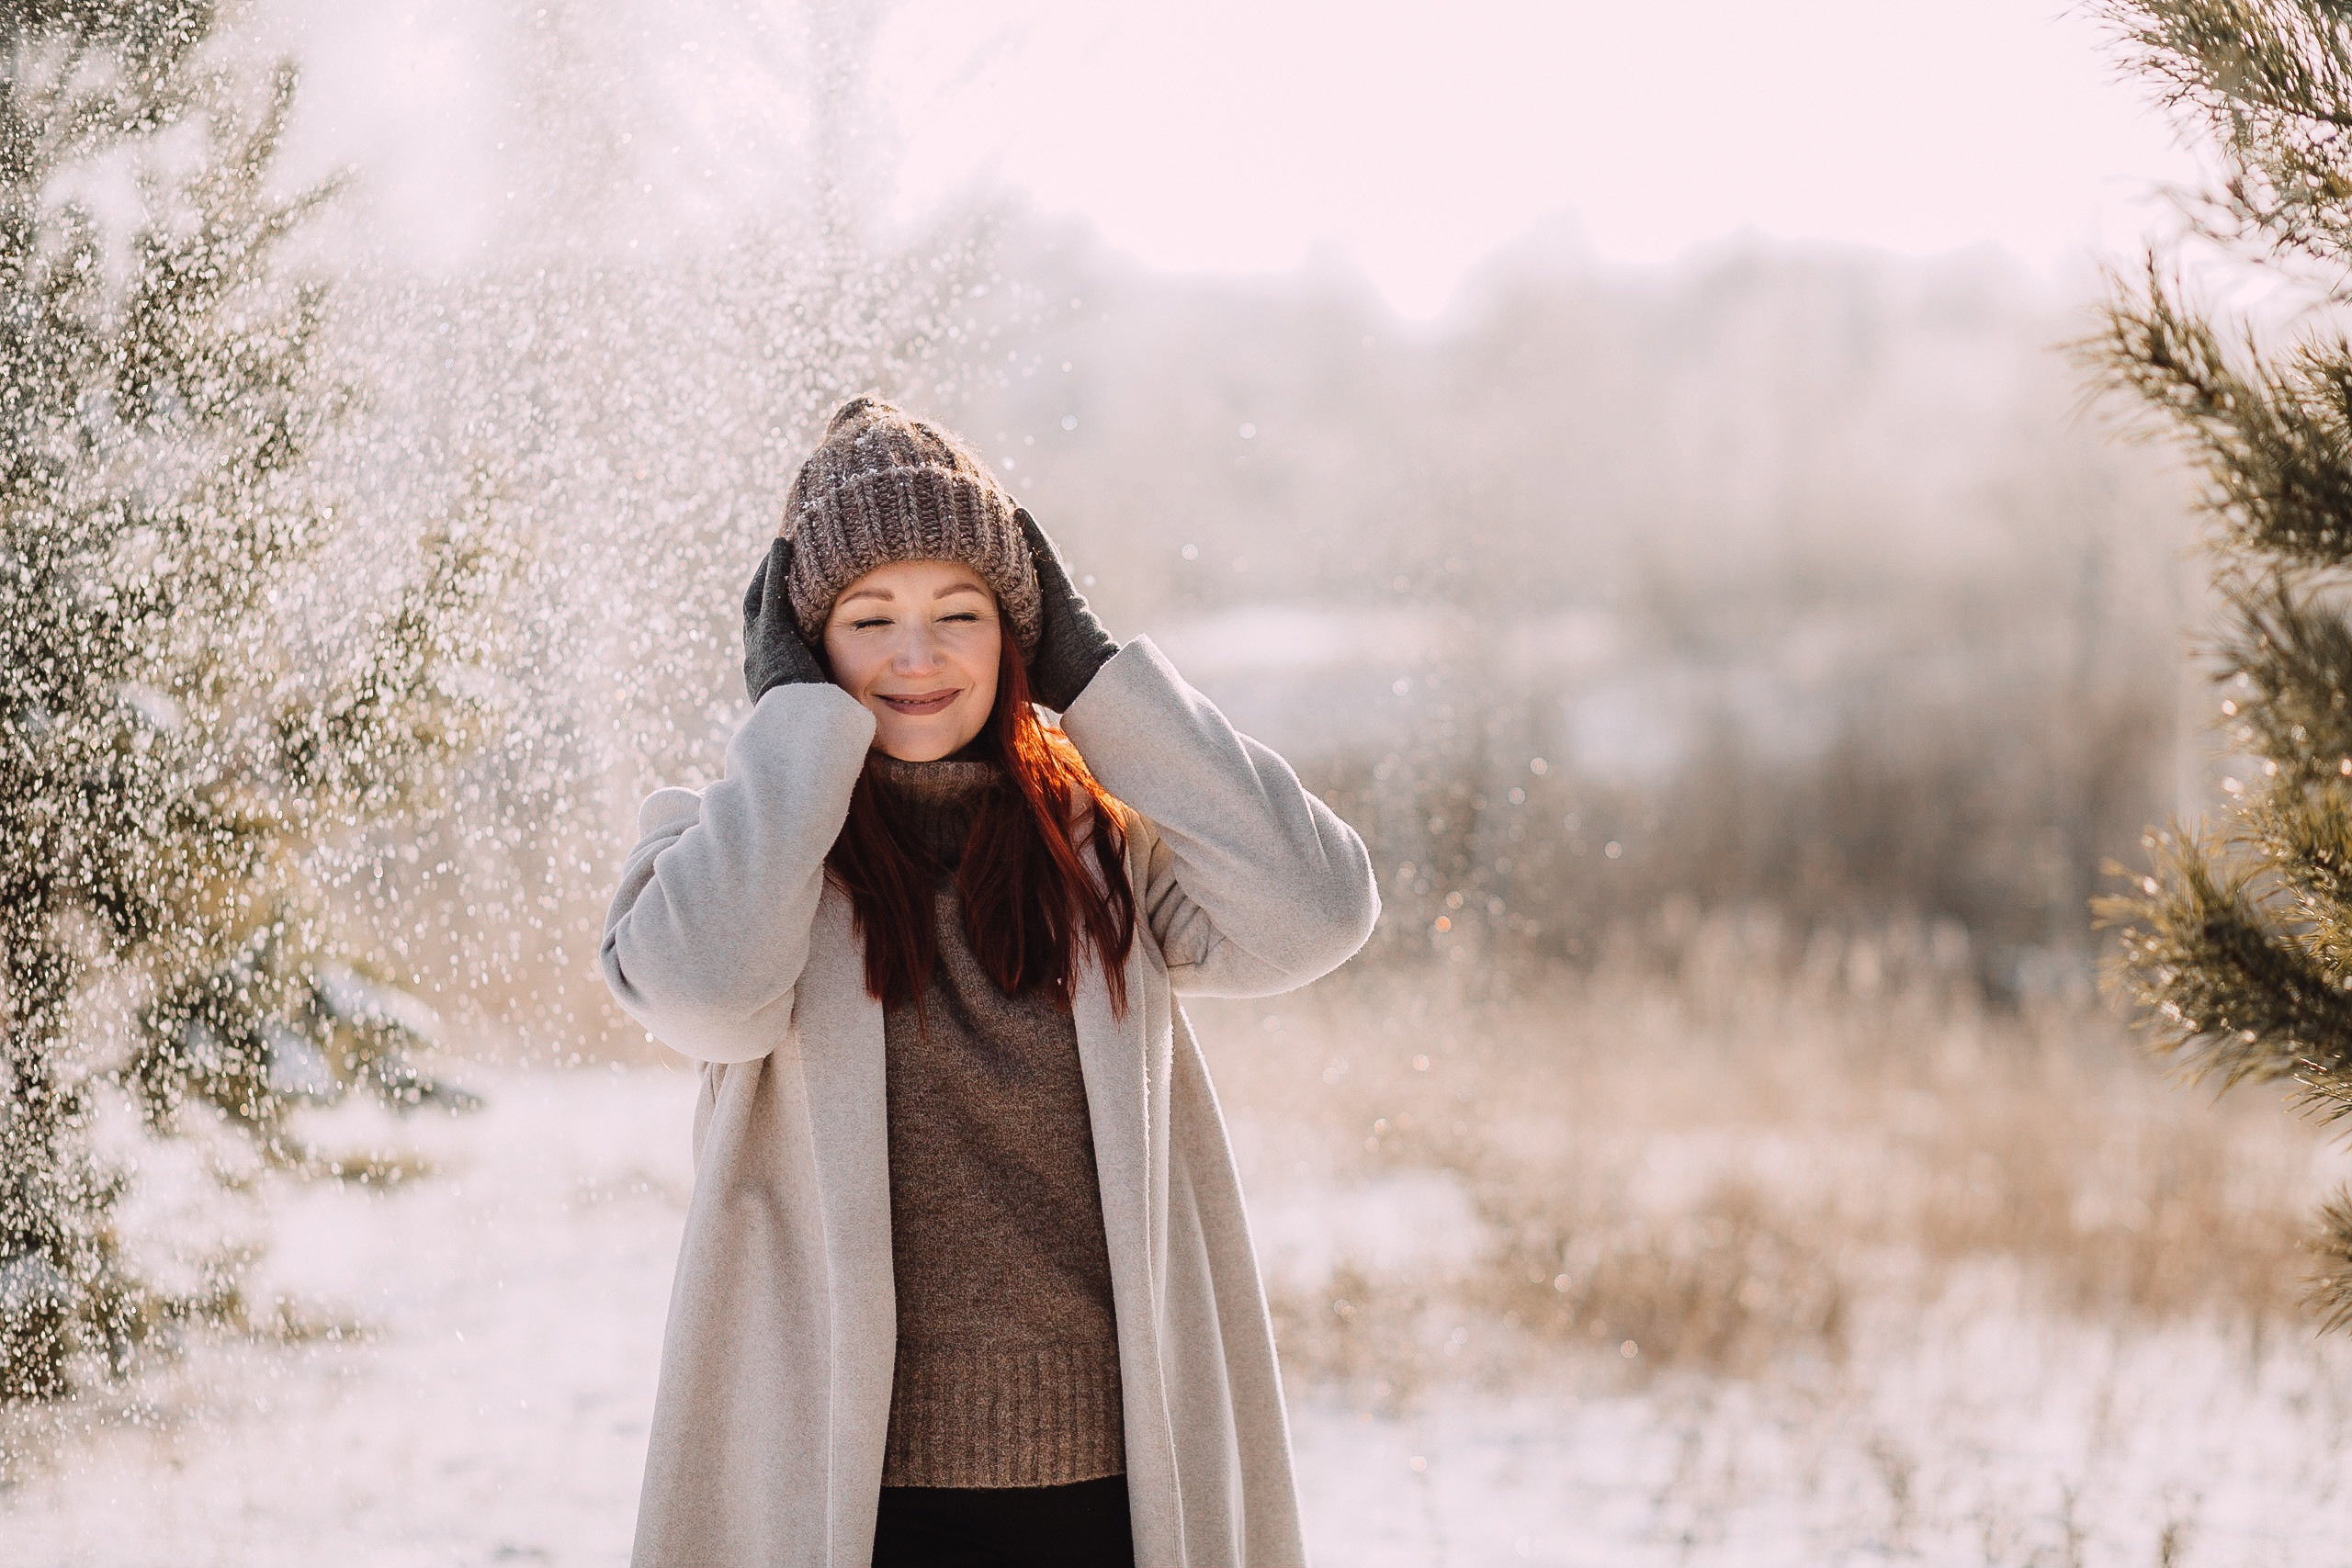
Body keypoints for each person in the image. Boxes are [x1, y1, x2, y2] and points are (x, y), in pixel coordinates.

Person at [600, 397, 1379, 1568]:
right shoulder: (733, 858)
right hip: (845, 1496)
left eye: (960, 613)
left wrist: (1100, 679)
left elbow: (1317, 911)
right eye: (869, 620)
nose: (918, 657)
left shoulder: (1103, 849)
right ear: (804, 652)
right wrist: (795, 727)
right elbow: (707, 992)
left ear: (1019, 635)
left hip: (1114, 1485)